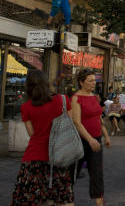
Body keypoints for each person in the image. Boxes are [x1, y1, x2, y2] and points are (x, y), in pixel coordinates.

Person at [11, 70, 74, 206]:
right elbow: (70, 125)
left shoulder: (26, 107)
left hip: (34, 158)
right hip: (58, 157)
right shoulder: (62, 100)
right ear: (46, 84)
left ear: (28, 87)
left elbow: (32, 134)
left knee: (31, 199)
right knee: (63, 199)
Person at [72, 69, 111, 206]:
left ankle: (99, 200)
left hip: (96, 139)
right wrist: (90, 139)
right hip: (81, 140)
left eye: (94, 80)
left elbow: (98, 118)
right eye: (90, 80)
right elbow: (76, 122)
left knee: (97, 172)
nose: (94, 83)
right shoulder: (76, 98)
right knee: (73, 172)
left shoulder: (94, 97)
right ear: (81, 82)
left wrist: (105, 136)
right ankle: (64, 198)